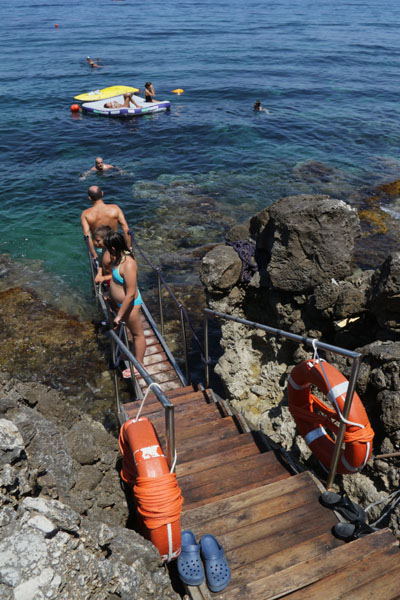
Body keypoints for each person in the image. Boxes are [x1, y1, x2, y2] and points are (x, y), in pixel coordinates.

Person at [103, 230, 146, 369]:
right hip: (121, 303)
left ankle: (139, 365)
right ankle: (131, 354)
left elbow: (131, 293)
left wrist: (119, 315)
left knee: (137, 335)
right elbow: (117, 282)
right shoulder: (118, 257)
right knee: (130, 331)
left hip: (131, 305)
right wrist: (110, 294)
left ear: (113, 248)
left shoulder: (128, 264)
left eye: (107, 249)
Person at [80, 185, 131, 260]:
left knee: (104, 266)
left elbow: (87, 237)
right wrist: (128, 249)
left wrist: (94, 254)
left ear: (89, 198)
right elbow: (126, 229)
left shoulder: (86, 214)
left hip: (100, 247)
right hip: (115, 244)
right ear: (102, 193)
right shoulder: (115, 208)